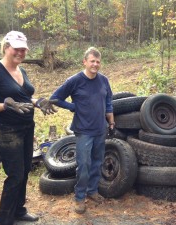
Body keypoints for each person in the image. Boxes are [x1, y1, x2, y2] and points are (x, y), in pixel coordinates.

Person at [0, 30, 57, 225]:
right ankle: (4, 220)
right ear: (6, 48)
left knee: (25, 170)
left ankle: (18, 210)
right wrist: (6, 105)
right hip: (6, 130)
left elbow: (23, 98)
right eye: (17, 49)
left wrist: (37, 101)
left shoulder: (21, 71)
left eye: (24, 49)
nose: (21, 53)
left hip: (26, 127)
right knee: (15, 174)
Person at [50, 47, 115, 214]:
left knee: (97, 162)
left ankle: (92, 191)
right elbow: (55, 98)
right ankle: (79, 197)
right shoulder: (75, 80)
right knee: (83, 164)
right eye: (92, 61)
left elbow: (108, 101)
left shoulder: (103, 80)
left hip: (100, 128)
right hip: (83, 130)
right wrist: (73, 107)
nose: (95, 64)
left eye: (98, 62)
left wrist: (111, 121)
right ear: (84, 62)